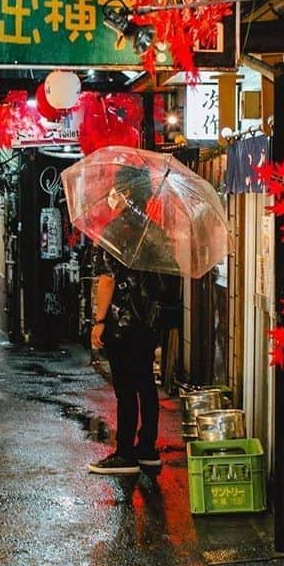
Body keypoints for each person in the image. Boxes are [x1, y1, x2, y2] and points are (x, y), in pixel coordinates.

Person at [88, 164, 178, 476]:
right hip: (149, 322)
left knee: (125, 389)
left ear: (125, 193)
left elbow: (107, 280)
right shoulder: (155, 230)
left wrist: (98, 321)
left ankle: (125, 451)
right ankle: (147, 449)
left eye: (115, 190)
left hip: (121, 322)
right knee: (145, 385)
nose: (112, 196)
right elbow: (167, 279)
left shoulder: (115, 230)